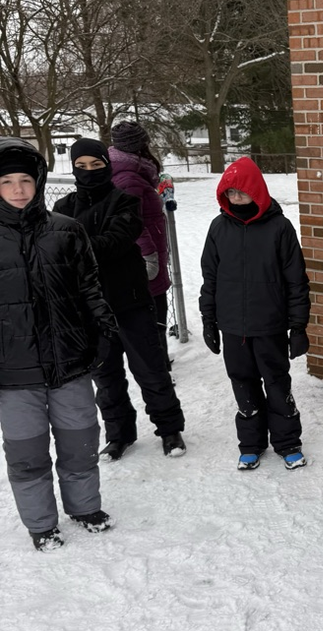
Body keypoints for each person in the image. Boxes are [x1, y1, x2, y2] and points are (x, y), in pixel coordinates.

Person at [0, 137, 117, 551]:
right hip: (13, 373)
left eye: (25, 180)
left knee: (80, 442)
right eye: (7, 182)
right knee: (27, 456)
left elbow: (90, 289)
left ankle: (84, 508)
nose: (18, 190)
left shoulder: (65, 231)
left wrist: (103, 330)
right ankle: (41, 524)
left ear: (38, 182)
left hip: (70, 363)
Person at [53, 138, 186, 459]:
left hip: (131, 301)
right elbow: (58, 252)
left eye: (96, 165)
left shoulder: (125, 201)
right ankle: (119, 433)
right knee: (106, 376)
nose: (89, 171)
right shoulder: (63, 208)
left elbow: (116, 241)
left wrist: (77, 243)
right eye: (81, 166)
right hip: (89, 308)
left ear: (107, 165)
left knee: (151, 370)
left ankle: (170, 430)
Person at [199, 156, 310, 470]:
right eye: (230, 193)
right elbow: (210, 278)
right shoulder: (219, 228)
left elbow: (296, 280)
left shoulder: (279, 228)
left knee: (277, 383)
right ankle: (251, 443)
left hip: (269, 325)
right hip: (233, 326)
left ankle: (288, 442)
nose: (236, 199)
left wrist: (298, 326)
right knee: (243, 383)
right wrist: (209, 320)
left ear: (257, 191)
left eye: (242, 192)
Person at [108, 121, 172, 367]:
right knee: (154, 309)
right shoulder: (128, 178)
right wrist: (150, 255)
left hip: (149, 252)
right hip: (145, 257)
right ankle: (157, 364)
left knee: (156, 307)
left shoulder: (132, 172)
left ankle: (159, 358)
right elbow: (132, 221)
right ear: (138, 146)